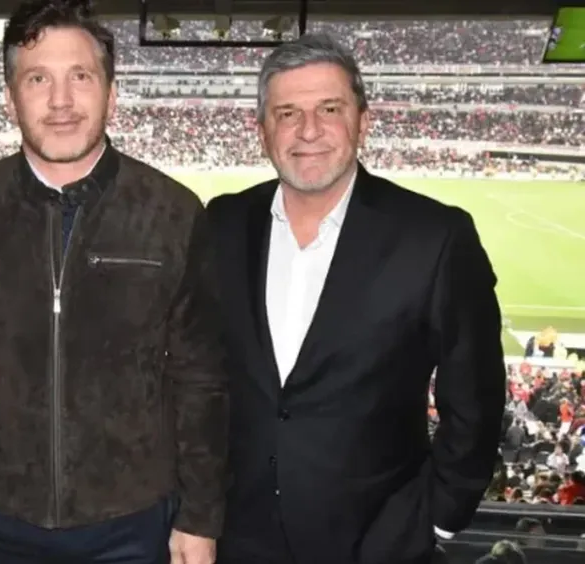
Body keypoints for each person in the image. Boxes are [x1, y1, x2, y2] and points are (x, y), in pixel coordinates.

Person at [0, 1, 228, 563]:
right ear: (10, 98)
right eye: (38, 79)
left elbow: (200, 379)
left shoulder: (173, 213)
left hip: (133, 520)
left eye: (80, 77)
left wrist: (201, 516)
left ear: (111, 93)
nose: (61, 101)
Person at [207, 33, 505, 564]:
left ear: (363, 121)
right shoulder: (221, 223)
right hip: (235, 540)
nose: (309, 131)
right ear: (262, 132)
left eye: (329, 108)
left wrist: (437, 520)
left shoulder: (435, 237)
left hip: (377, 542)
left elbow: (476, 403)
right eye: (287, 113)